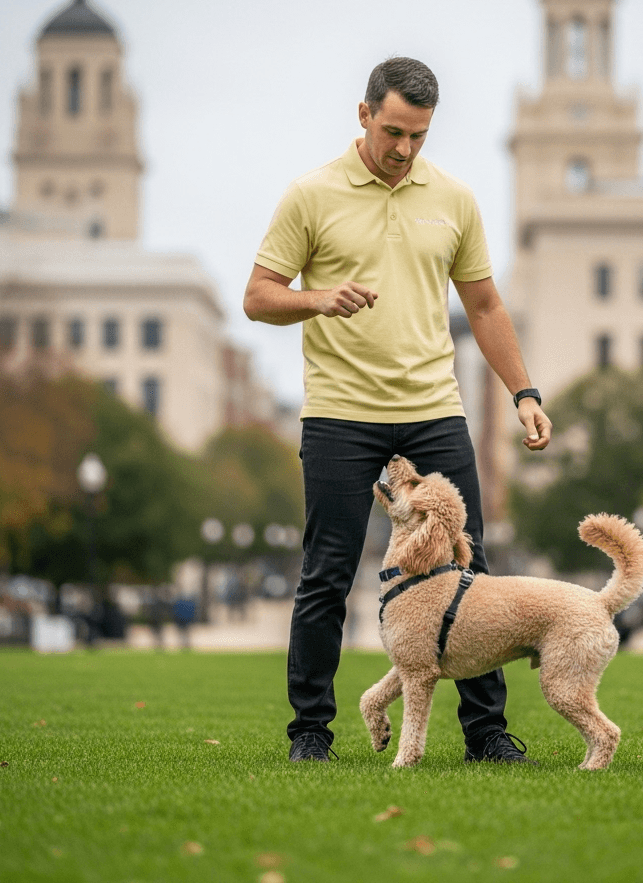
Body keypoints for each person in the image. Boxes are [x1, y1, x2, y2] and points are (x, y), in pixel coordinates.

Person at [244, 57, 552, 763]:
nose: (404, 149)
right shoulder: (311, 195)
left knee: (471, 569)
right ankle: (311, 732)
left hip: (433, 409)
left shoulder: (453, 197)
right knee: (327, 570)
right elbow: (258, 295)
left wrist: (524, 393)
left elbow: (484, 305)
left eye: (418, 135)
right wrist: (318, 298)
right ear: (363, 115)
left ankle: (487, 733)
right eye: (392, 132)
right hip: (340, 413)